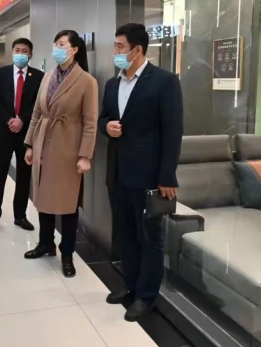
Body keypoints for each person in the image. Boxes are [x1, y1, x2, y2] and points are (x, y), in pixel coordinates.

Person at [98, 23, 183, 322]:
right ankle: (130, 286)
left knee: (149, 238)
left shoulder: (164, 82)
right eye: (115, 46)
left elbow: (173, 132)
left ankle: (146, 296)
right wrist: (106, 126)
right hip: (117, 173)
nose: (115, 51)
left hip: (148, 176)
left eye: (119, 46)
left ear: (137, 50)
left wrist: (167, 176)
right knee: (126, 234)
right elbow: (104, 117)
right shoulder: (113, 84)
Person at [23, 30, 98, 278]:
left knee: (67, 203)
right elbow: (37, 112)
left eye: (62, 44)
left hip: (68, 148)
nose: (57, 48)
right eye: (56, 44)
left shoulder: (87, 81)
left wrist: (85, 155)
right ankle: (46, 243)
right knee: (43, 197)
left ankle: (67, 253)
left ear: (74, 49)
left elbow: (90, 122)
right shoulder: (47, 77)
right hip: (43, 143)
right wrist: (30, 144)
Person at [0, 38, 44, 234]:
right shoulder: (1, 74)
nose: (20, 54)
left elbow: (38, 104)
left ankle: (20, 215)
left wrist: (22, 120)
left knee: (24, 175)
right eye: (17, 50)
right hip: (4, 131)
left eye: (24, 51)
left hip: (26, 133)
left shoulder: (39, 76)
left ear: (30, 54)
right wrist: (9, 119)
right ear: (12, 52)